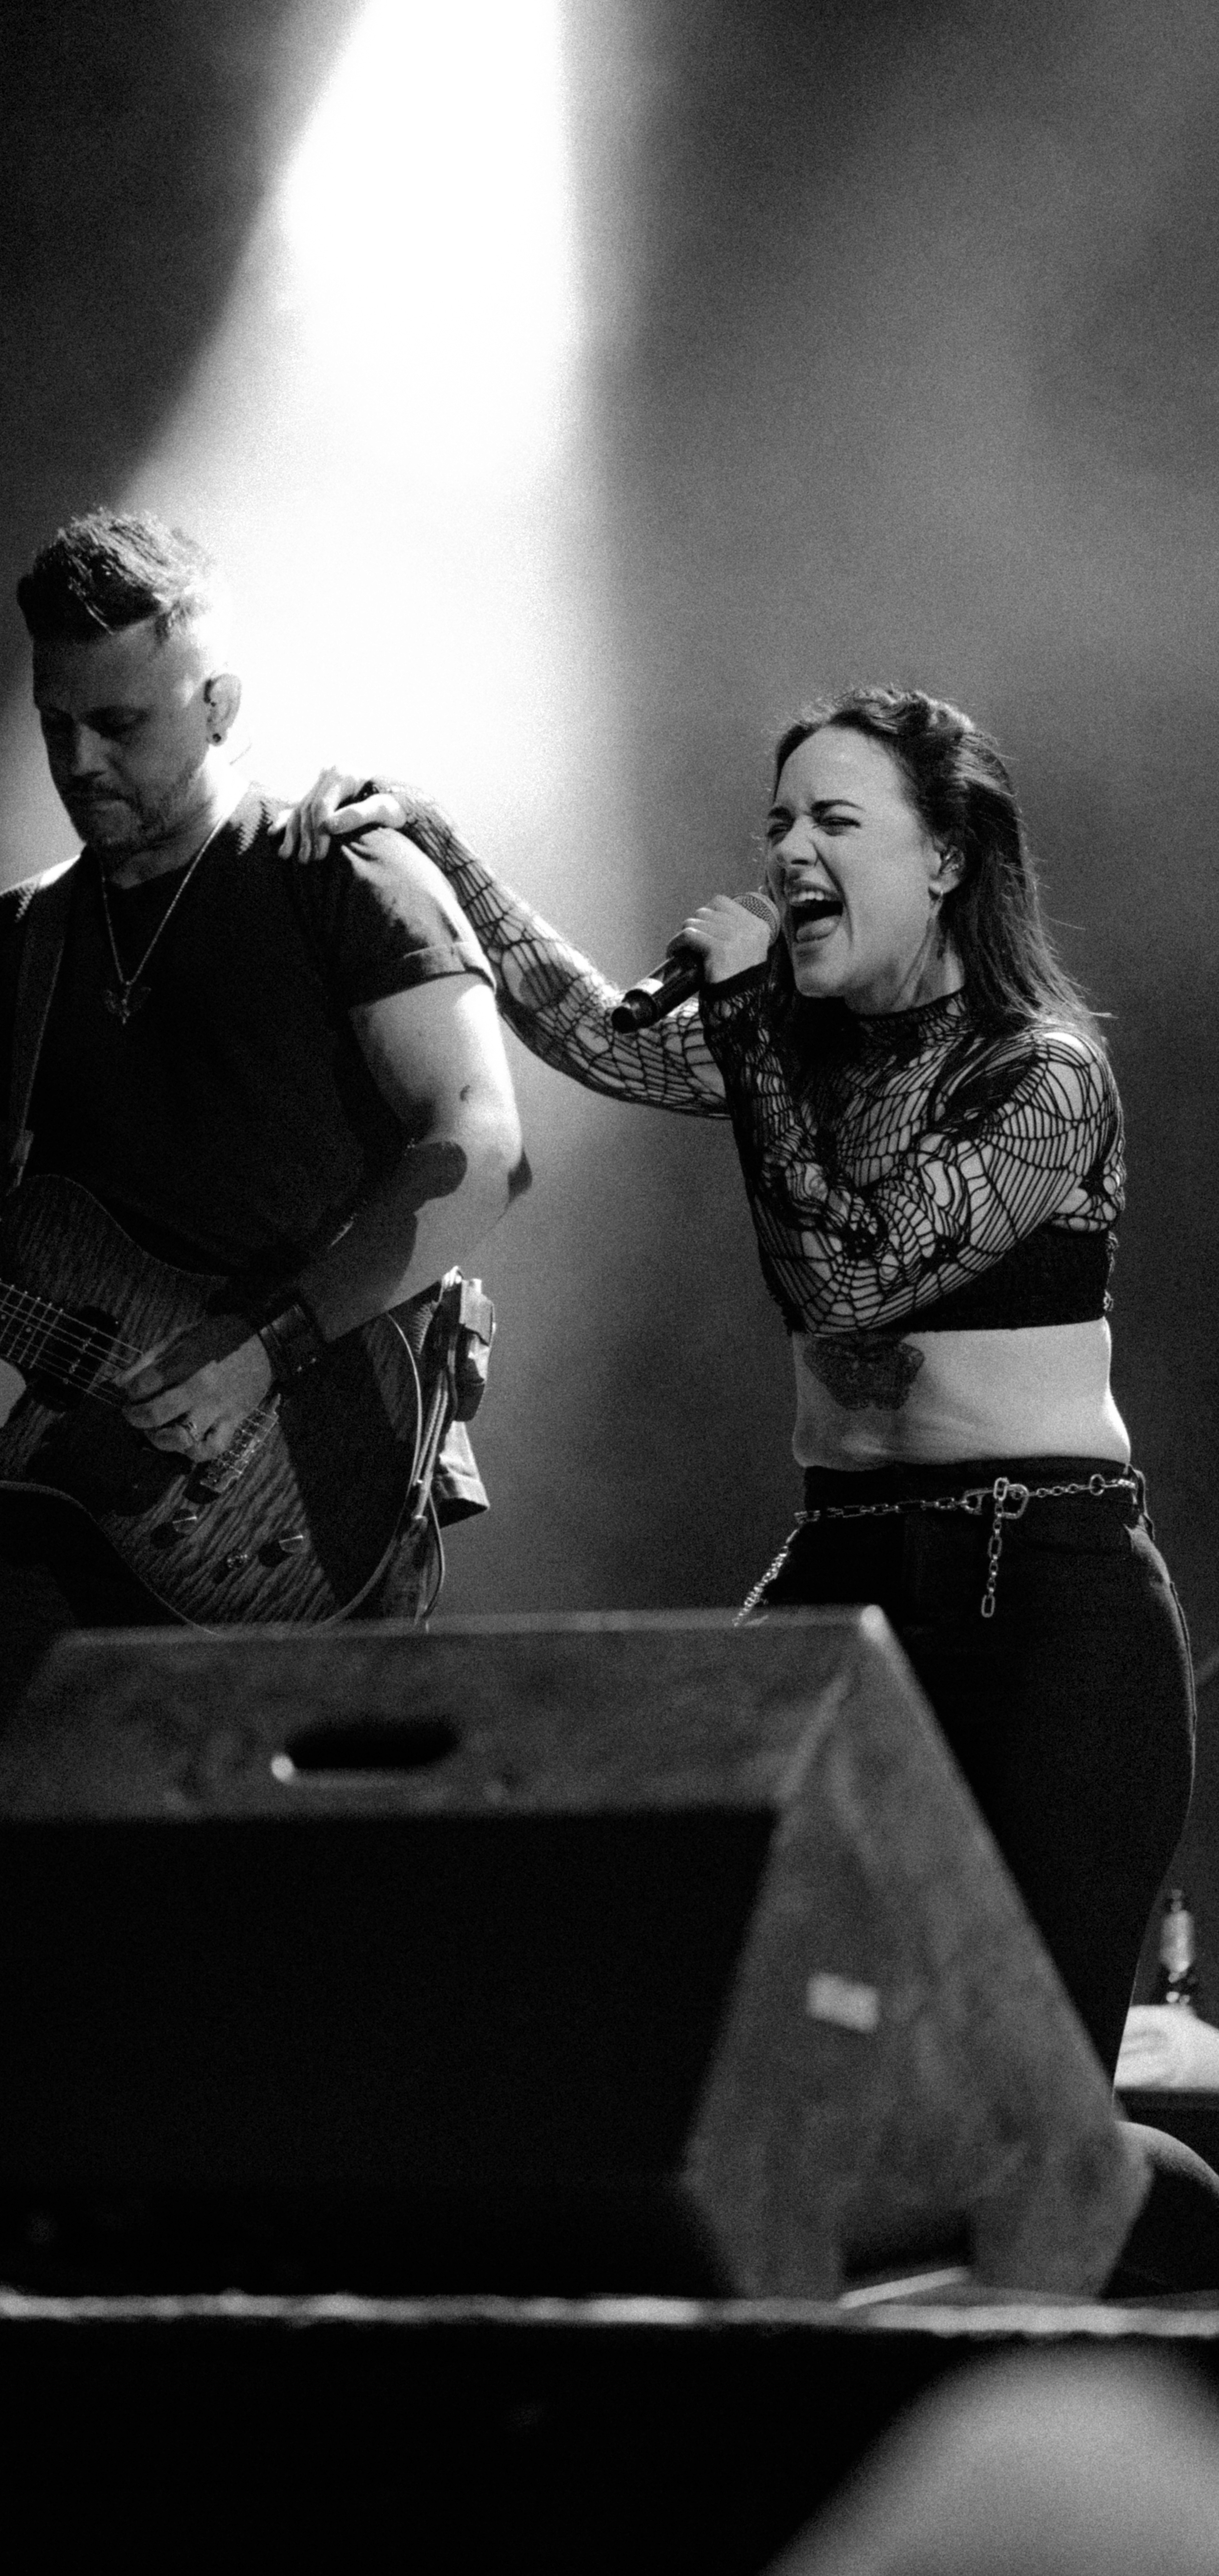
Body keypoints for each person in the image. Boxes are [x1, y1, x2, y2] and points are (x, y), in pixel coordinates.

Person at [283, 688, 1194, 2079]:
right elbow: (592, 1033)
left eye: (835, 820)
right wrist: (442, 844)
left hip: (1038, 1596)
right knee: (730, 2010)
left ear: (946, 858)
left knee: (1024, 2095)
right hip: (844, 1561)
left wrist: (754, 1021)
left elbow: (851, 1275)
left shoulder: (1043, 1076)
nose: (786, 853)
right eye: (777, 822)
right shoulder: (789, 1047)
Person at [0, 509, 526, 1831]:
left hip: (308, 1493)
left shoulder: (345, 878)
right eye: (53, 725)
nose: (79, 762)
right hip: (62, 1500)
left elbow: (480, 1151)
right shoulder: (9, 950)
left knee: (246, 1970)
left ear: (220, 705)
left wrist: (254, 1351)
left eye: (121, 725)